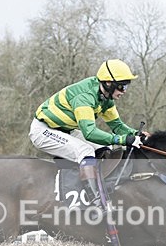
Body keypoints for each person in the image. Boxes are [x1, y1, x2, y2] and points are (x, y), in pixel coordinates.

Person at [29, 59, 142, 203]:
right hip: (43, 130)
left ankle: (103, 188)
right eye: (121, 87)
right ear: (108, 83)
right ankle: (94, 199)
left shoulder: (106, 99)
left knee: (106, 148)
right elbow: (89, 132)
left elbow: (118, 126)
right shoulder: (85, 96)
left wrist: (135, 134)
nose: (124, 92)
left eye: (126, 87)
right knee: (85, 151)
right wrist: (121, 140)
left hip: (66, 130)